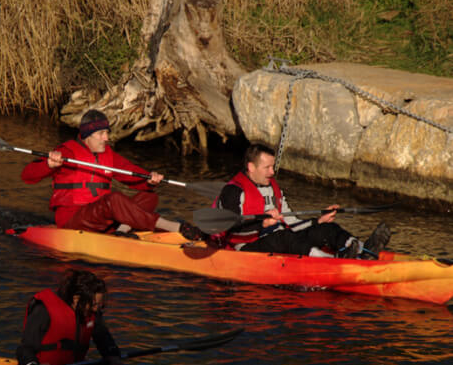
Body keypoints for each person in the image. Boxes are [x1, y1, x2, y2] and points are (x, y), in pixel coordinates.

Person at [20, 108, 206, 241]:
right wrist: (49, 164)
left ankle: (122, 231)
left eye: (106, 133)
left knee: (149, 197)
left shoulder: (109, 155)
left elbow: (134, 176)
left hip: (102, 216)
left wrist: (150, 180)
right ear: (88, 136)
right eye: (101, 133)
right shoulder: (67, 152)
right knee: (114, 199)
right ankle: (176, 227)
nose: (106, 138)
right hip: (74, 218)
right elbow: (27, 175)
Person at [213, 144, 391, 259]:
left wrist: (317, 221)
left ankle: (363, 250)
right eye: (266, 167)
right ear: (251, 167)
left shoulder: (273, 188)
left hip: (281, 237)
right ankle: (332, 261)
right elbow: (230, 227)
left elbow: (292, 222)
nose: (272, 172)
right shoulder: (233, 191)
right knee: (284, 237)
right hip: (245, 248)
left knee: (326, 228)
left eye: (272, 166)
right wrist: (262, 223)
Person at [16, 269, 156, 365]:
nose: (96, 309)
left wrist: (113, 357)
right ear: (77, 299)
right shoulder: (44, 310)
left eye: (99, 305)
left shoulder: (90, 313)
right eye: (94, 304)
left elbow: (104, 339)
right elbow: (24, 349)